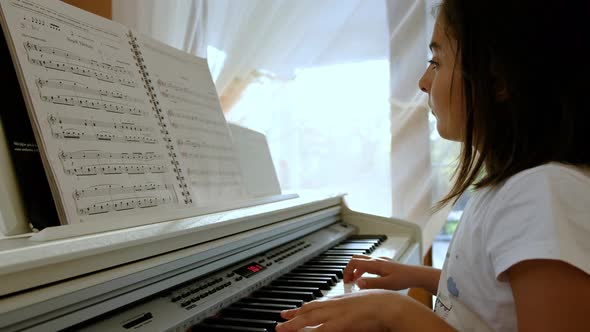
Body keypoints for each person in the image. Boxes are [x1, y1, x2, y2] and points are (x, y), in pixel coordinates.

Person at [275, 0, 590, 331]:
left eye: (436, 62)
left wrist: (393, 311)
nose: (423, 82)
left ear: (498, 80)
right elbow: (488, 295)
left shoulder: (543, 193)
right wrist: (417, 276)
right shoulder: (517, 188)